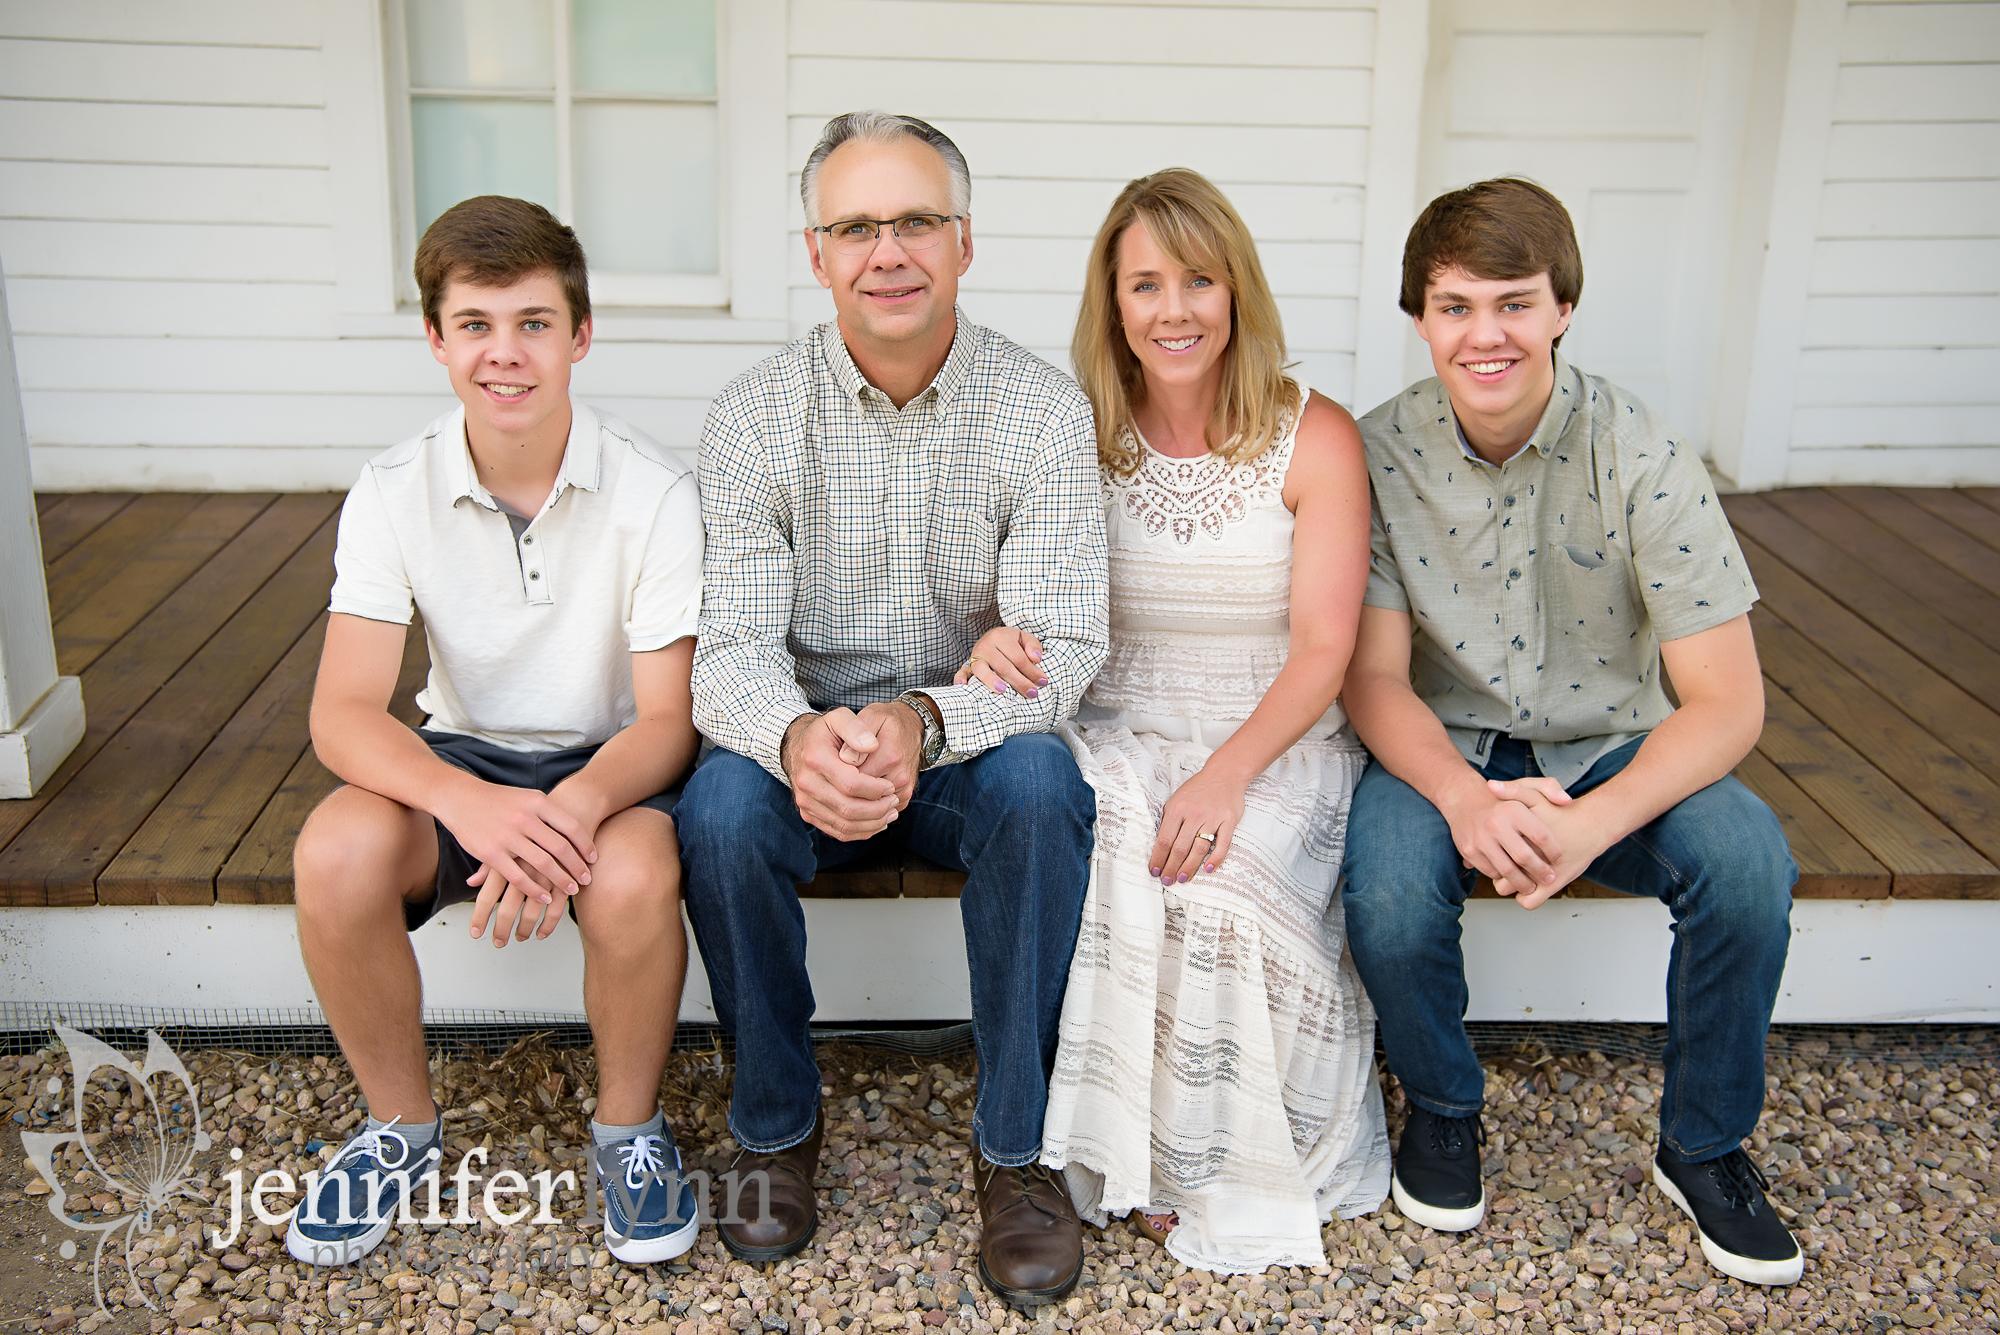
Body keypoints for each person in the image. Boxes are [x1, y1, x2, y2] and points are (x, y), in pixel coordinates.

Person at [676, 112, 1108, 1307]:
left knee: (1042, 786)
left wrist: (921, 722)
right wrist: (801, 737)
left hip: (961, 744)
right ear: (815, 254)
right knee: (715, 812)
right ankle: (772, 1125)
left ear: (964, 241)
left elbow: (1063, 644)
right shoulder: (756, 414)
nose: (888, 251)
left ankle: (1015, 1155)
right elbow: (728, 653)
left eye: (916, 220)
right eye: (855, 226)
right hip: (808, 743)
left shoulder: (1037, 410)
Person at [1340, 178, 1801, 1286]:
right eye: (1453, 306)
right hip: (1440, 741)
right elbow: (1370, 679)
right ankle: (1443, 1109)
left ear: (1560, 310)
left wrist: (1589, 825)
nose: (1482, 333)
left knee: (1746, 866)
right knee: (1388, 897)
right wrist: (1462, 798)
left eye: (1512, 302)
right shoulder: (1375, 456)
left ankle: (1703, 1147)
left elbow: (1728, 703)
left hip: (1610, 744)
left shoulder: (1640, 454)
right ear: (1417, 318)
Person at [962, 168, 1392, 1273]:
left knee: (1211, 888)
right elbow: (1018, 596)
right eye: (1144, 284)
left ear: (1235, 290)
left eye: (1197, 280)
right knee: (1111, 854)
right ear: (1111, 303)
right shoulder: (1073, 432)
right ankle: (1117, 1152)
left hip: (1274, 741)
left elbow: (1323, 653)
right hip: (1117, 729)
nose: (1174, 311)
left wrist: (1227, 775)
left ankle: (1209, 1158)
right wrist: (997, 640)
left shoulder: (1314, 436)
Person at [287, 196, 704, 1268]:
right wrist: (469, 804)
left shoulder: (654, 493)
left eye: (531, 322)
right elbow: (342, 711)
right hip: (462, 763)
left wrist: (563, 815)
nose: (504, 353)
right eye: (474, 324)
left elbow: (667, 722)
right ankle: (398, 1129)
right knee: (333, 849)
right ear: (434, 338)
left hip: (605, 767)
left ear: (580, 334)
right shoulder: (390, 491)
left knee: (630, 874)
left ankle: (629, 1133)